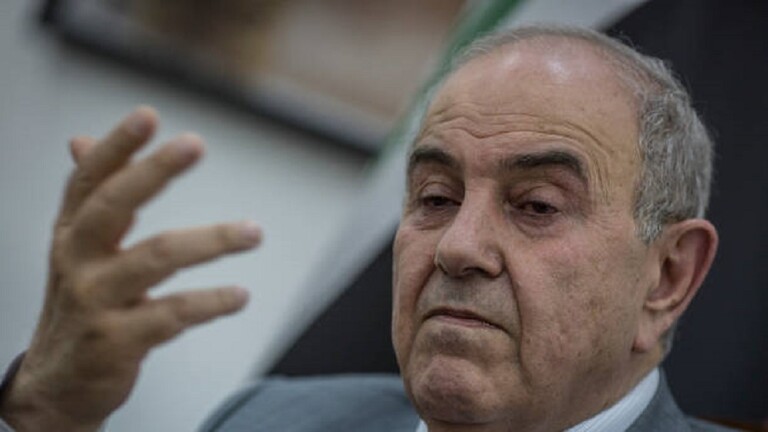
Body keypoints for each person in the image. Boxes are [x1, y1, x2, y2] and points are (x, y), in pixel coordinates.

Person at [0, 25, 736, 432]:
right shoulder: (268, 422)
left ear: (667, 277)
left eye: (537, 206)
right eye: (436, 197)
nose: (457, 247)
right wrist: (48, 415)